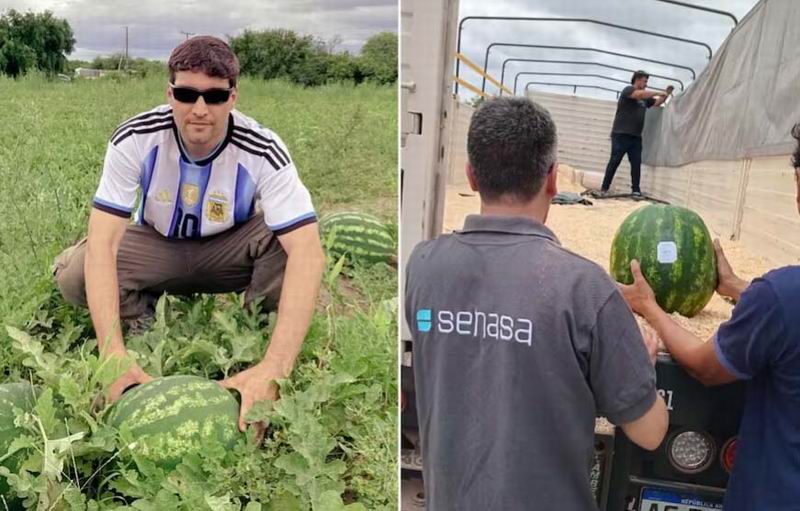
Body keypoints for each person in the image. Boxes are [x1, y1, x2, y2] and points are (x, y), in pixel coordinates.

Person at [404, 97, 668, 510]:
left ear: (471, 176)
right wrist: (638, 369)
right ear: (552, 179)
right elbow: (650, 432)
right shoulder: (585, 288)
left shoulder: (423, 265)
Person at [52, 36, 325, 434]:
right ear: (170, 94)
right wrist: (110, 355)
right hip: (158, 244)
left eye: (214, 97)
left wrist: (276, 368)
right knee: (75, 273)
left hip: (229, 252)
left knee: (292, 239)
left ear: (232, 97)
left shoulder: (262, 148)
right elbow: (105, 242)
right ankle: (136, 325)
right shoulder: (136, 138)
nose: (200, 109)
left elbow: (309, 255)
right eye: (186, 94)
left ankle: (257, 341)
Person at [618, 124, 800, 511]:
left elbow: (704, 366)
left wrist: (650, 307)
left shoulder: (781, 297)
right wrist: (736, 286)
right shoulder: (778, 299)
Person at [600, 70, 673, 196]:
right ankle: (604, 189)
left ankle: (636, 190)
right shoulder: (628, 90)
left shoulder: (645, 99)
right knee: (614, 161)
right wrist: (657, 92)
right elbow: (639, 95)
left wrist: (666, 94)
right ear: (637, 80)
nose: (646, 84)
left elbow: (657, 103)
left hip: (635, 136)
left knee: (636, 163)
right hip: (621, 134)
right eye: (644, 81)